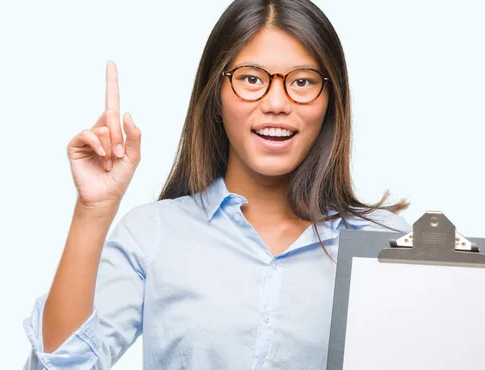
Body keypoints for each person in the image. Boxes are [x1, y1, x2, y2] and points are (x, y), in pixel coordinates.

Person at [23, 0, 410, 368]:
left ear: (331, 99)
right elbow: (63, 364)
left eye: (304, 81)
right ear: (216, 93)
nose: (276, 102)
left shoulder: (384, 245)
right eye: (251, 79)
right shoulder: (153, 235)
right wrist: (93, 211)